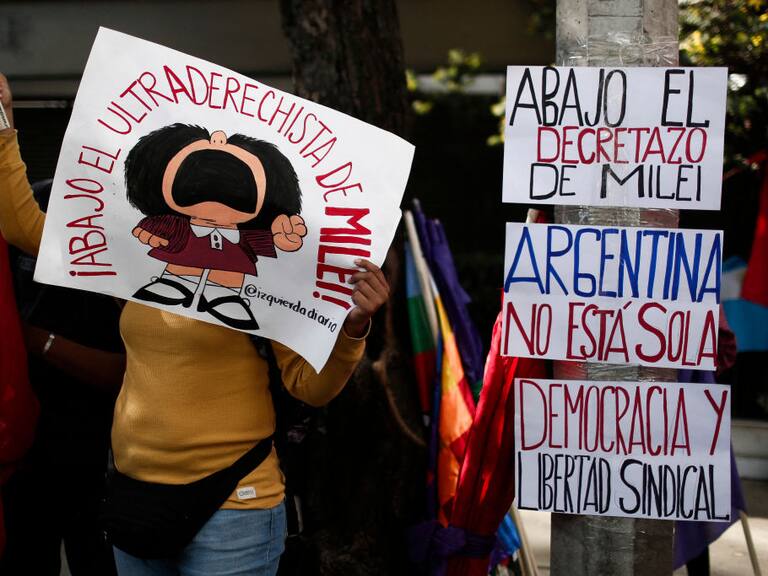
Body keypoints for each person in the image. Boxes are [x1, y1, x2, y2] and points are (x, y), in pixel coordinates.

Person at [0, 72, 390, 576]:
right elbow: (23, 226)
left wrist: (351, 329)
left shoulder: (274, 272)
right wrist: (4, 122)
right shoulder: (140, 250)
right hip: (135, 496)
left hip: (235, 505)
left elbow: (309, 388)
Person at [0, 178, 124, 576]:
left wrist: (37, 342)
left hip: (94, 454)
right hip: (23, 455)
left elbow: (123, 372)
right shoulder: (32, 205)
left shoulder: (121, 236)